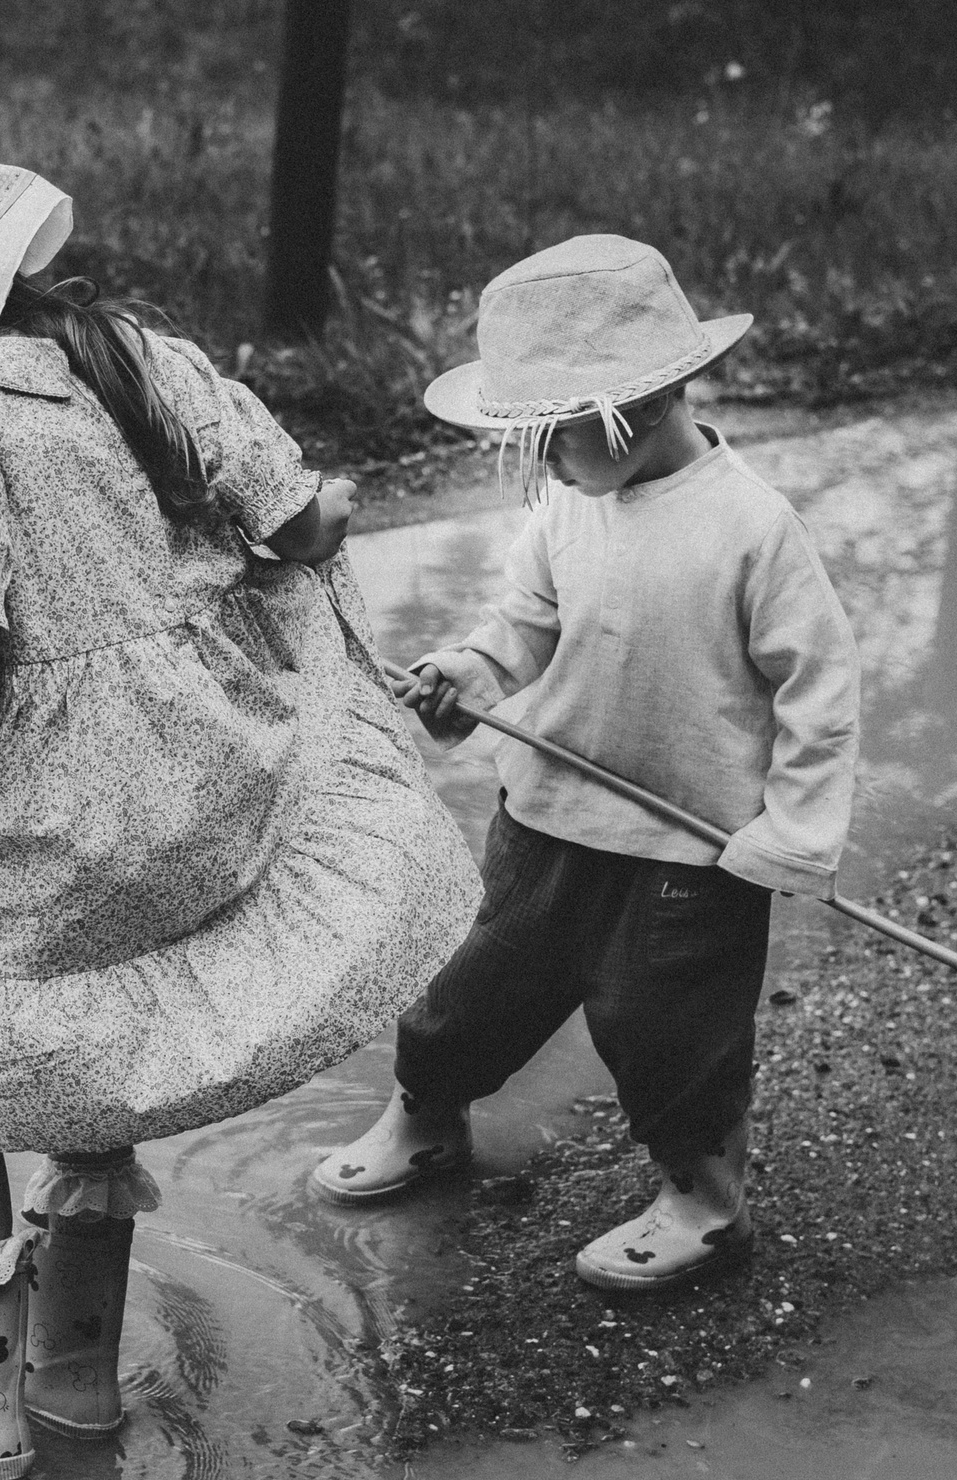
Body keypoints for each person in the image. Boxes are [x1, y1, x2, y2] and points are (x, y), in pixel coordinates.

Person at [0, 145, 477, 1480]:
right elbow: (294, 521)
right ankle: (71, 1381)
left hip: (74, 794)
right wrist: (337, 513)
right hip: (208, 762)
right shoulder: (132, 350)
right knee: (88, 1031)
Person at [310, 235, 860, 1294]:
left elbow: (818, 693)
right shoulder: (571, 501)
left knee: (669, 1035)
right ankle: (425, 1116)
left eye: (551, 440)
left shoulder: (750, 531)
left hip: (692, 849)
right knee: (470, 996)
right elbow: (528, 616)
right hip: (548, 815)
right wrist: (471, 673)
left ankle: (703, 1198)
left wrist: (790, 833)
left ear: (639, 409)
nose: (541, 466)